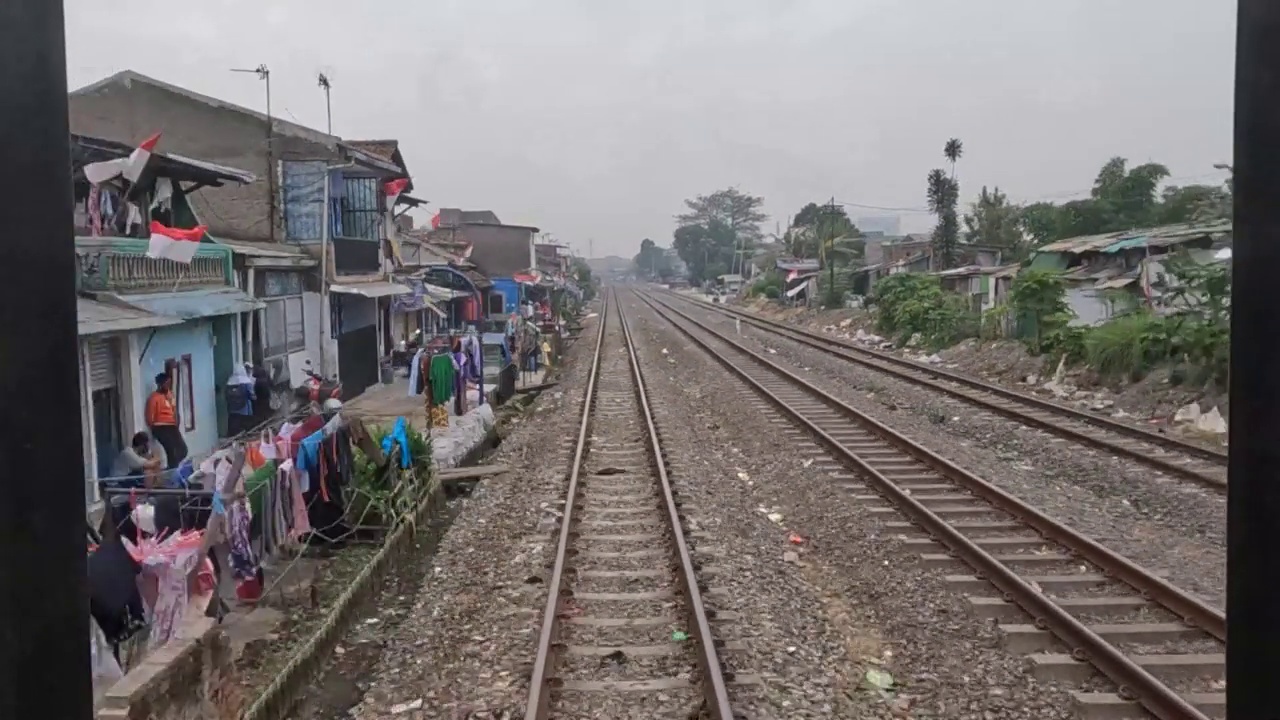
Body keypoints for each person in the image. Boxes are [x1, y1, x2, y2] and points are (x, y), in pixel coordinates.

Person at [146, 372, 187, 469]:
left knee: (183, 450)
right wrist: (154, 427)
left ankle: (173, 467)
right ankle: (172, 471)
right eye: (166, 383)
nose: (168, 385)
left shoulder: (170, 395)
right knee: (171, 450)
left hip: (171, 426)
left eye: (169, 383)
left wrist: (176, 421)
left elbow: (173, 409)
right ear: (160, 384)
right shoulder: (153, 398)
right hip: (160, 427)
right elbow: (149, 416)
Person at [225, 363, 256, 436]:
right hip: (244, 409)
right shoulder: (246, 381)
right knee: (245, 428)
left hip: (232, 409)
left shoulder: (230, 381)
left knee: (233, 427)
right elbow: (252, 395)